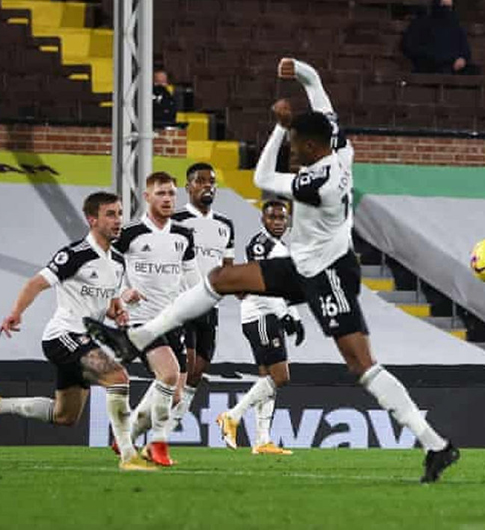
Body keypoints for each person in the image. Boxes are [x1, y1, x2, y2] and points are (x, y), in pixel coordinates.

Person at [85, 57, 460, 483]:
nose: (293, 150)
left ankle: (436, 445)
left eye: (298, 145)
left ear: (314, 150)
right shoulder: (340, 146)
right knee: (222, 279)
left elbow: (264, 175)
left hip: (328, 274)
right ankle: (136, 337)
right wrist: (299, 70)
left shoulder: (314, 183)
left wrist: (279, 126)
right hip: (298, 264)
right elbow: (317, 84)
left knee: (362, 365)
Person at [0, 192, 154, 471]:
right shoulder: (75, 254)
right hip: (63, 336)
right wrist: (15, 313)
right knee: (118, 378)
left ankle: (2, 405)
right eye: (110, 214)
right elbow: (36, 283)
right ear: (92, 219)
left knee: (65, 416)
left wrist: (117, 310)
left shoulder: (117, 262)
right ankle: (129, 455)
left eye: (120, 213)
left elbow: (105, 304)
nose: (118, 220)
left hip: (81, 339)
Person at [113, 171, 200, 467]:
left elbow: (193, 279)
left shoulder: (183, 235)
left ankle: (129, 432)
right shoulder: (130, 234)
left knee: (175, 394)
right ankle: (157, 444)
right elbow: (107, 267)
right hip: (142, 321)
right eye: (161, 193)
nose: (167, 199)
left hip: (173, 320)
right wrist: (123, 292)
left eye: (172, 194)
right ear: (147, 196)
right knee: (168, 374)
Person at [217, 199, 302, 455]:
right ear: (262, 220)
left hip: (267, 315)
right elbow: (263, 285)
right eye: (272, 218)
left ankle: (262, 440)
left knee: (268, 379)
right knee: (280, 377)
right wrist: (283, 315)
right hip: (261, 316)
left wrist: (293, 315)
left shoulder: (279, 246)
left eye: (282, 218)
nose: (278, 222)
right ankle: (232, 416)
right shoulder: (261, 245)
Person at [168, 163, 235, 433]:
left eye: (212, 181)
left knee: (197, 372)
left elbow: (228, 266)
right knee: (183, 369)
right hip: (183, 305)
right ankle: (157, 425)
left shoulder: (225, 225)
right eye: (201, 180)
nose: (208, 185)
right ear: (188, 187)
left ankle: (172, 422)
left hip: (210, 306)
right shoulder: (176, 221)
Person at [401, 0, 479, 75]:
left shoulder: (455, 25)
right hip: (429, 68)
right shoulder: (423, 23)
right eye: (444, 5)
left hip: (453, 69)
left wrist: (462, 59)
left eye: (449, 7)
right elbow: (410, 46)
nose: (446, 10)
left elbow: (464, 49)